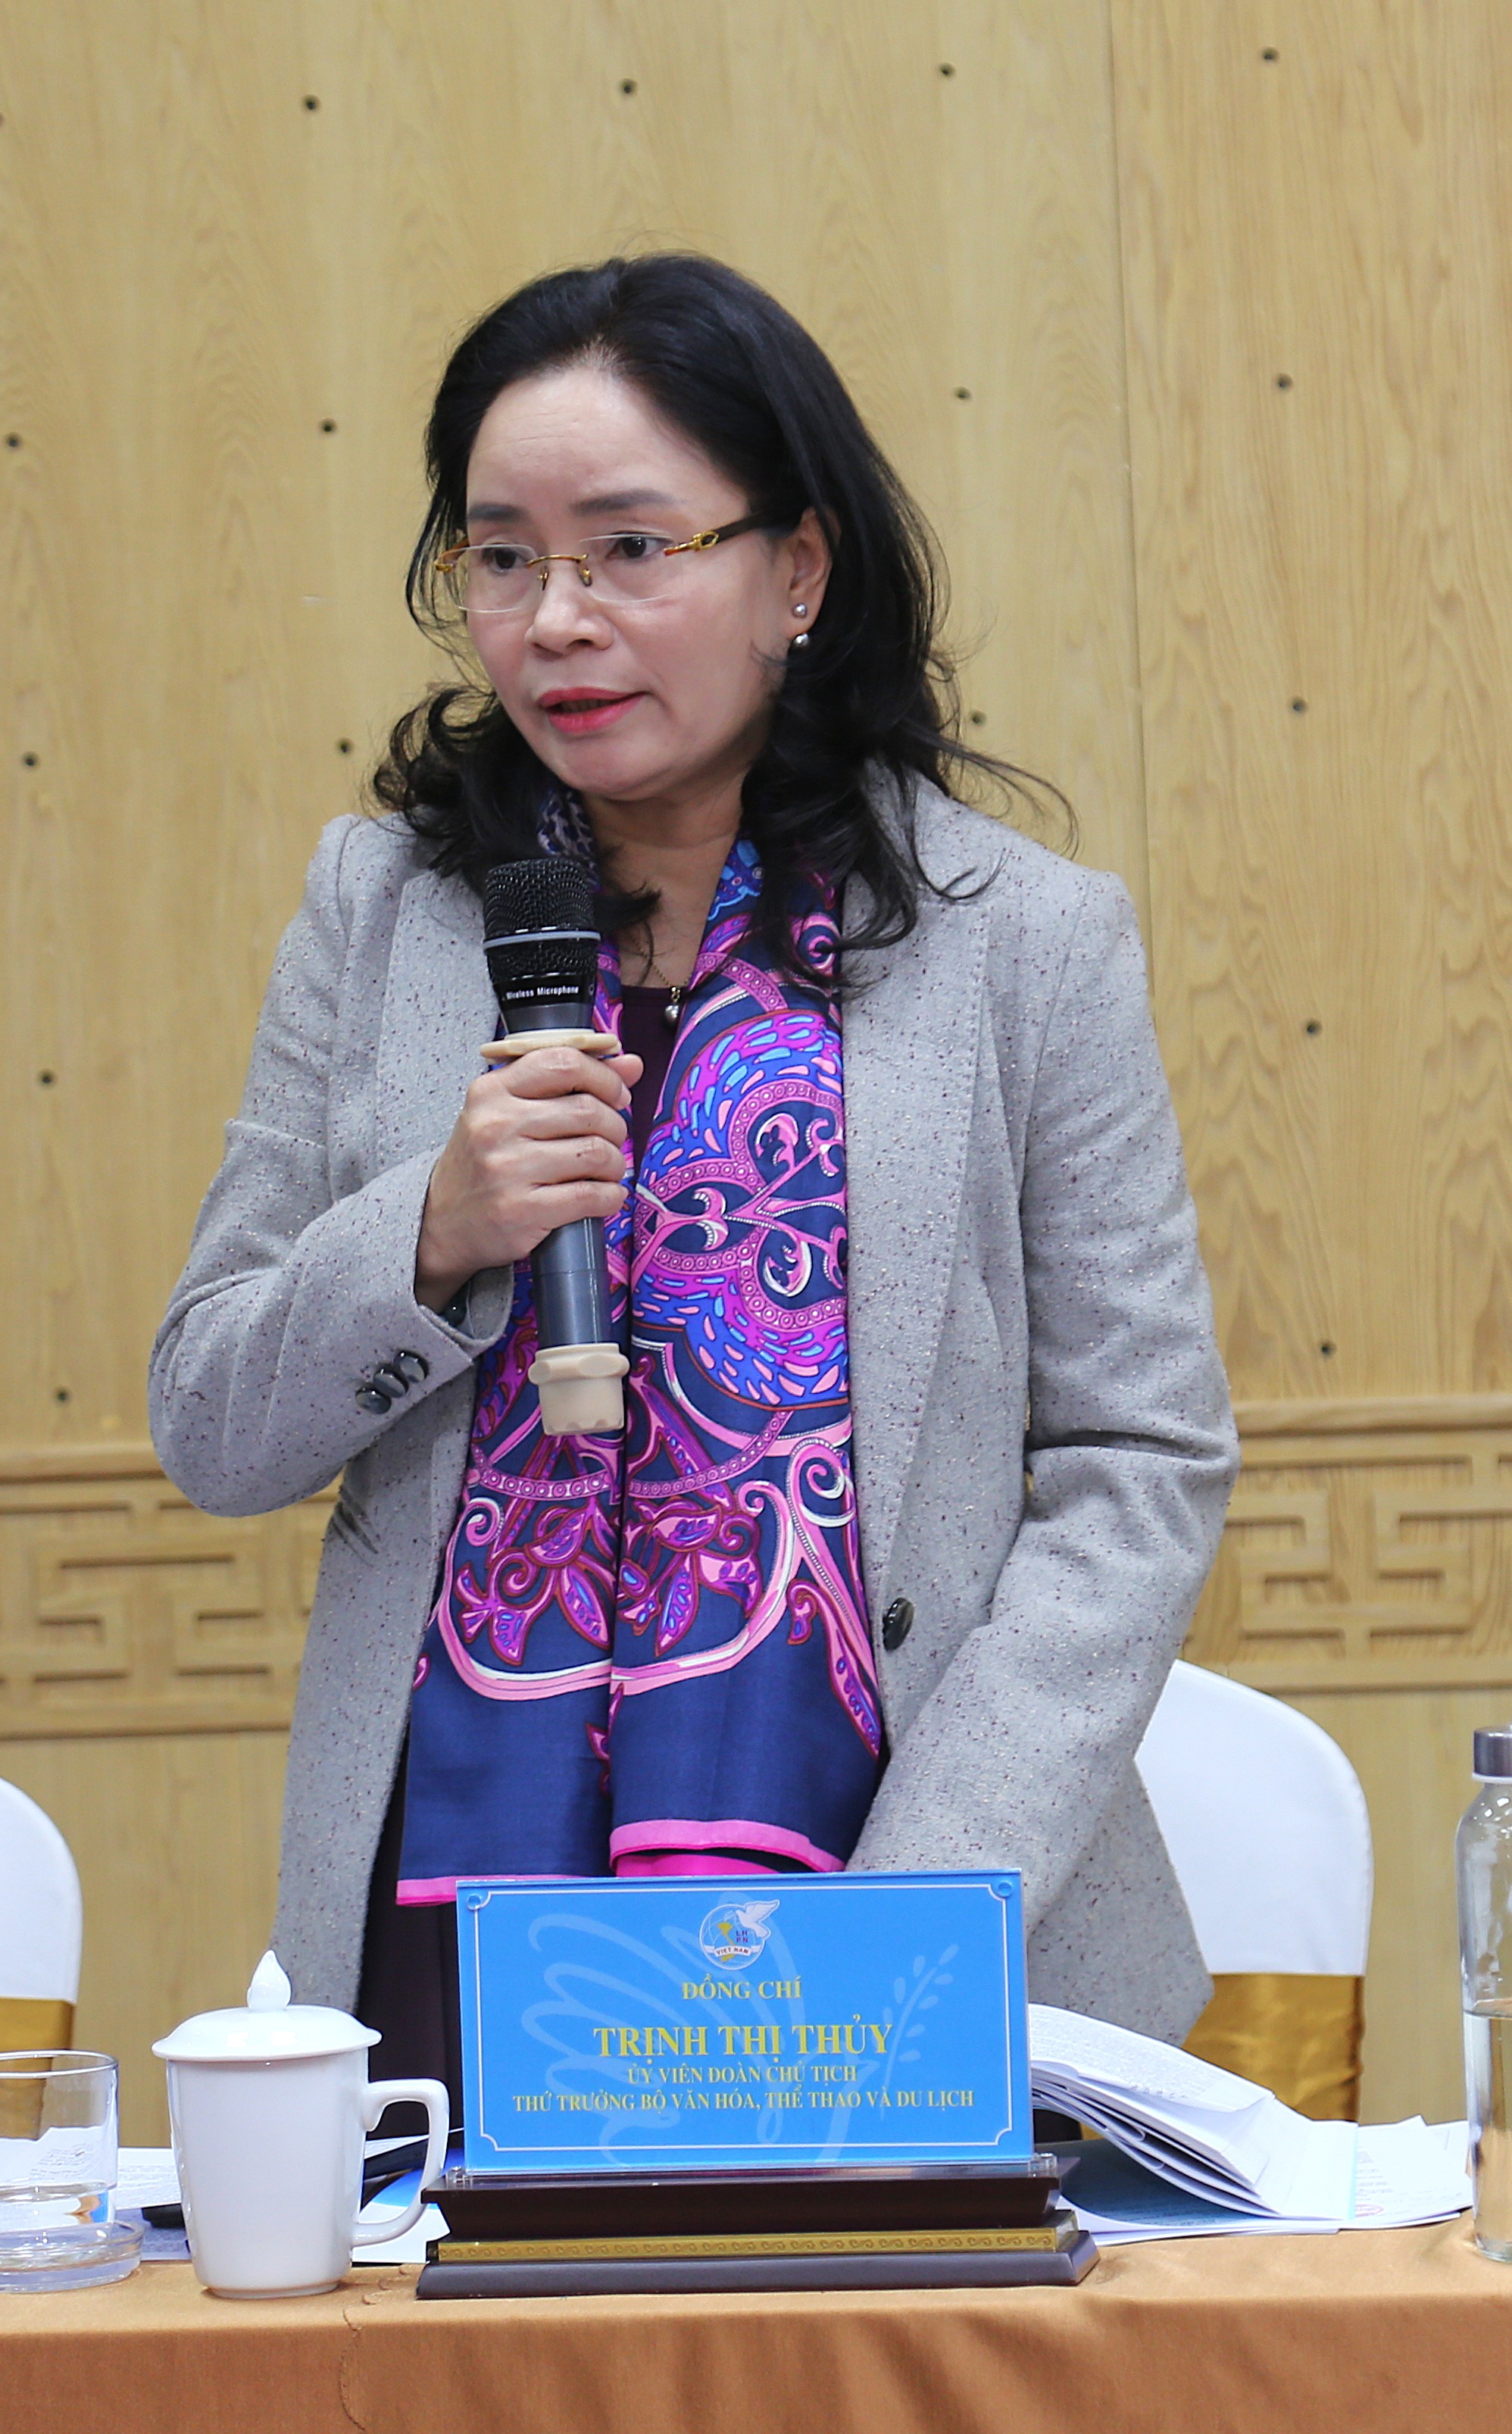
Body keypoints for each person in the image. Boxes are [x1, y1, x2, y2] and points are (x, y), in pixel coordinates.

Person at [148, 255, 1236, 2082]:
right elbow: (211, 1417)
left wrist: (922, 1906)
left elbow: (1141, 1464)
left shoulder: (1021, 944)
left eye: (631, 550)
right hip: (454, 1914)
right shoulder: (384, 915)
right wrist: (430, 1233)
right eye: (503, 559)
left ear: (797, 572)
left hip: (896, 1895)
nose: (557, 620)